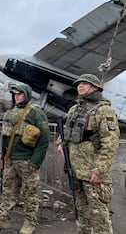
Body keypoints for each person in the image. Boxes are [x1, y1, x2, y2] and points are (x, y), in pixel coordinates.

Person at [57, 74, 120, 234]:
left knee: (98, 215)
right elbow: (65, 132)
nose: (80, 86)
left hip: (93, 171)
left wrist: (99, 170)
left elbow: (110, 143)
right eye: (79, 84)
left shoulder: (104, 111)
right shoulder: (74, 109)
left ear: (95, 87)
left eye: (85, 83)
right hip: (75, 169)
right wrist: (60, 144)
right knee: (81, 211)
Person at [0, 83, 50, 234]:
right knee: (8, 190)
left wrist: (36, 161)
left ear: (26, 95)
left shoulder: (36, 113)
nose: (17, 96)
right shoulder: (11, 113)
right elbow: (6, 138)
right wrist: (4, 156)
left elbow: (44, 139)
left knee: (30, 193)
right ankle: (3, 218)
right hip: (10, 159)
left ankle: (30, 222)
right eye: (15, 94)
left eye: (20, 94)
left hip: (27, 160)